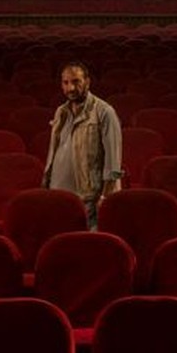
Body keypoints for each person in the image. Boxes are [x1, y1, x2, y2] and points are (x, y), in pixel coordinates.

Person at [42, 61, 123, 228]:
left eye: (76, 82)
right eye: (66, 82)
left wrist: (105, 197)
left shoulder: (105, 112)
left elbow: (113, 162)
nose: (70, 88)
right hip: (58, 195)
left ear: (87, 81)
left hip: (88, 198)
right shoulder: (60, 112)